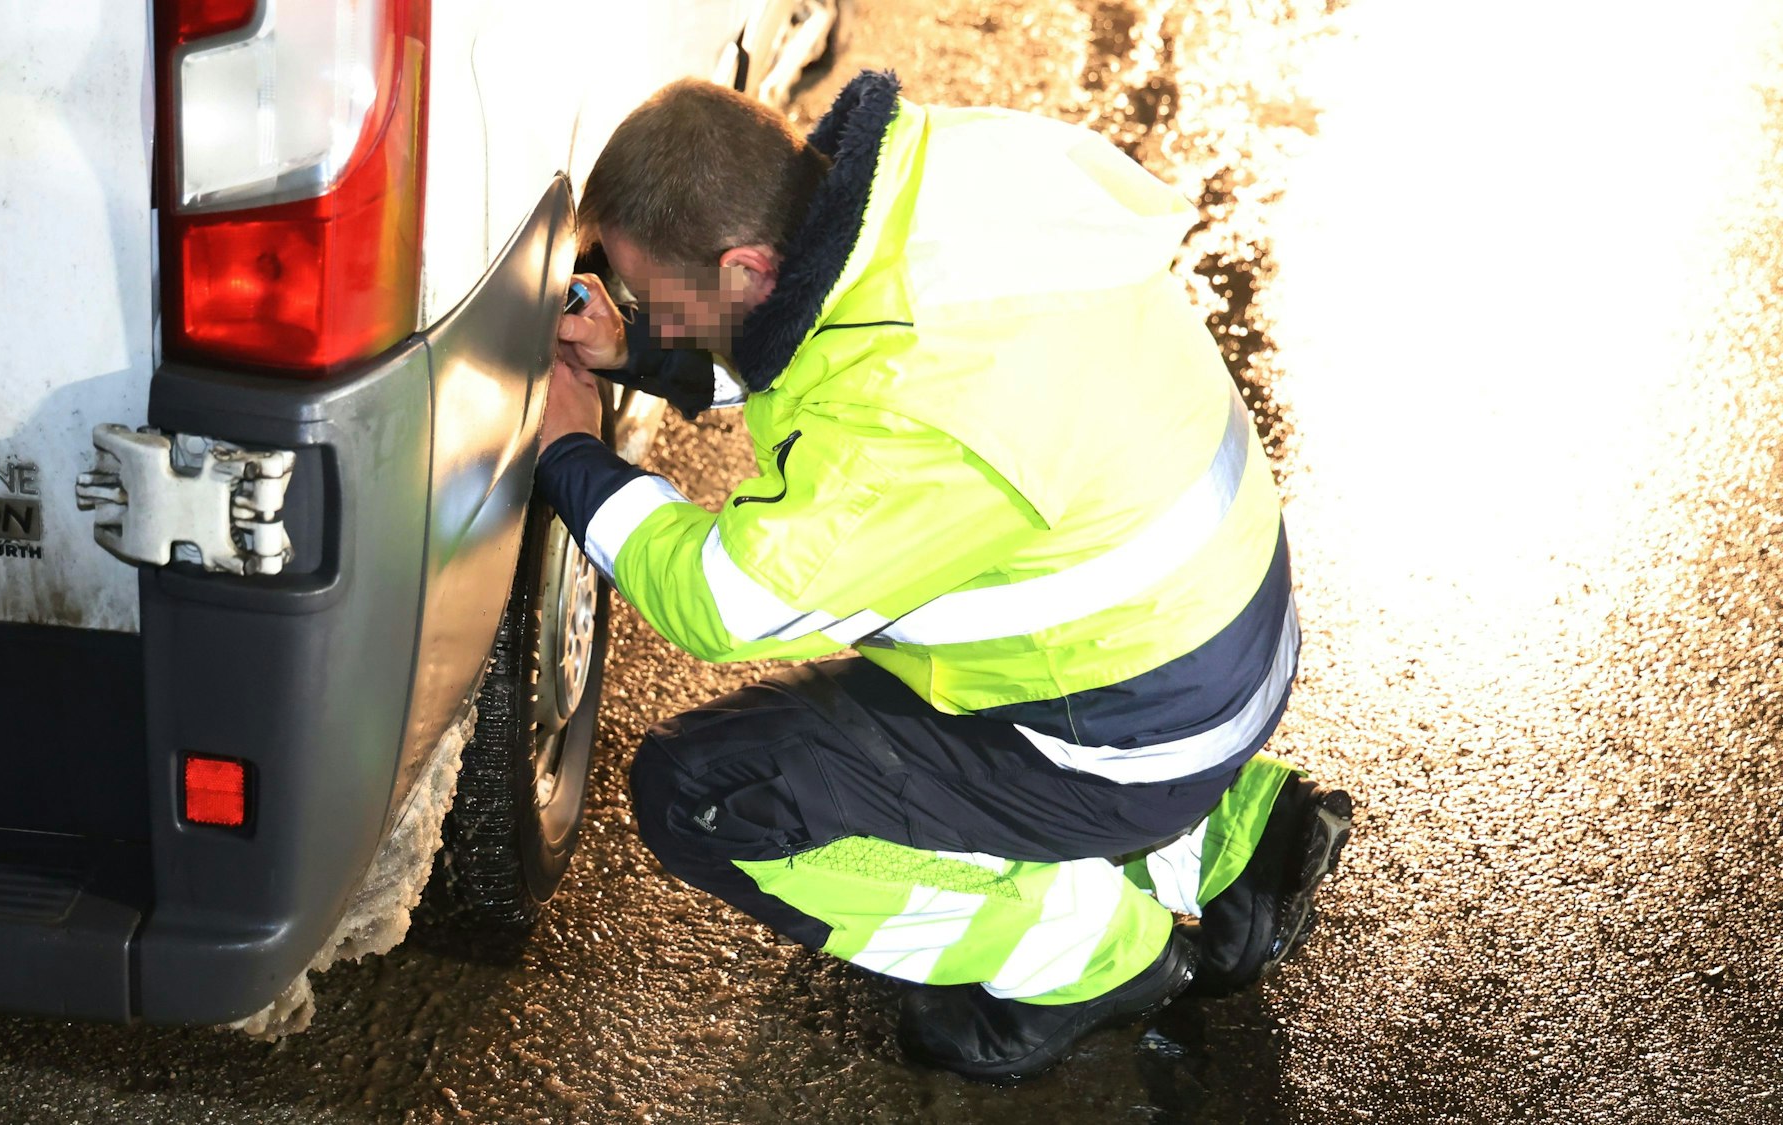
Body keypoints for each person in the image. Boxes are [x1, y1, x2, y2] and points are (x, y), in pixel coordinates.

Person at [534, 70, 1353, 1083]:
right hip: (1210, 646)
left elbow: (726, 601)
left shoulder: (919, 410)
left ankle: (1090, 957)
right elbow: (818, 346)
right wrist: (644, 352)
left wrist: (573, 455)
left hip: (1130, 730)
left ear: (745, 267)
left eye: (653, 295)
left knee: (704, 792)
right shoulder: (933, 174)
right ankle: (1231, 840)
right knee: (906, 704)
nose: (642, 309)